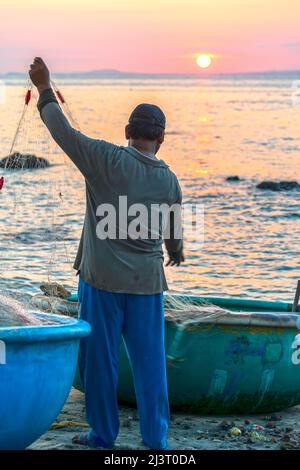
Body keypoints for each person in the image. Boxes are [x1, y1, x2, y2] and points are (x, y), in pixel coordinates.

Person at [29, 57, 184, 450]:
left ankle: (102, 436)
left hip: (101, 283)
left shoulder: (104, 160)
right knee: (151, 367)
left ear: (127, 132)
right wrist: (175, 253)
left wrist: (45, 87)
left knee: (100, 363)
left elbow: (60, 130)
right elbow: (174, 235)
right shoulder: (169, 180)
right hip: (147, 287)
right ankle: (156, 441)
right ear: (161, 139)